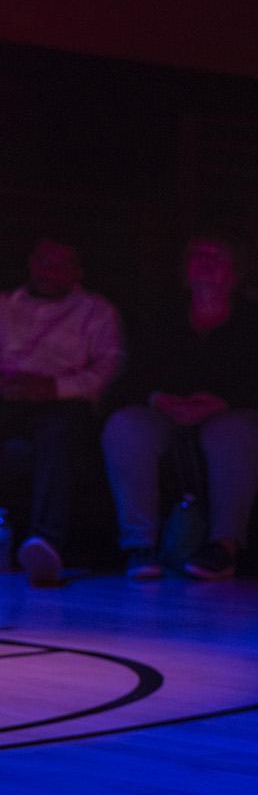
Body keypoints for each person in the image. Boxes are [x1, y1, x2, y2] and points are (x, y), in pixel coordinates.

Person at [101, 235, 258, 580]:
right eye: (198, 255)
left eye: (218, 256)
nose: (206, 262)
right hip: (168, 413)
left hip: (234, 414)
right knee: (125, 427)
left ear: (235, 272)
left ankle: (223, 546)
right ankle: (140, 546)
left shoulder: (257, 322)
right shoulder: (161, 318)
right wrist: (159, 399)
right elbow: (131, 378)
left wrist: (223, 403)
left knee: (230, 433)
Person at [0, 238, 124, 585]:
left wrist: (53, 388)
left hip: (62, 404)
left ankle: (45, 541)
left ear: (77, 272)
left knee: (59, 432)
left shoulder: (96, 312)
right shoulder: (4, 306)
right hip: (7, 398)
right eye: (43, 261)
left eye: (60, 264)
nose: (49, 271)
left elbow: (105, 371)